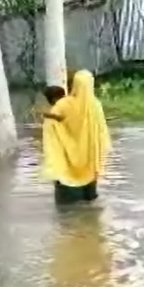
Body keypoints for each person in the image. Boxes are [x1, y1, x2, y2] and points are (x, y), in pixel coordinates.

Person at [41, 70, 112, 205]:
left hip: (67, 167)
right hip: (90, 168)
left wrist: (44, 115)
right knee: (89, 208)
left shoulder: (63, 104)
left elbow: (52, 127)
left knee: (67, 211)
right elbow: (101, 134)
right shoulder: (96, 105)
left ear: (74, 84)